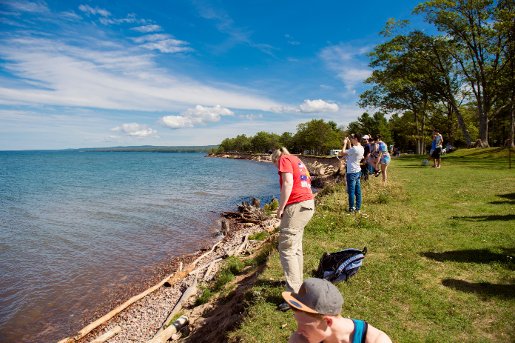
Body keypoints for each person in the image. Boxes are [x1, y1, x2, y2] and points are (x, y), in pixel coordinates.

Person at [271, 147, 315, 310]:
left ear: (276, 159)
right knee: (295, 248)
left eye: (275, 166)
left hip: (296, 205)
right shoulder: (297, 160)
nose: (278, 169)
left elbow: (288, 182)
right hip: (307, 204)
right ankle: (299, 286)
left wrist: (281, 208)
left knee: (286, 248)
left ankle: (294, 295)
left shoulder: (284, 160)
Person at [283, 278, 393, 343]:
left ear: (328, 322)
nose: (298, 331)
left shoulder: (376, 340)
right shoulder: (300, 340)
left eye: (305, 325)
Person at [339, 134, 364, 213]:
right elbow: (351, 152)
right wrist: (349, 143)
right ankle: (358, 208)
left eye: (352, 138)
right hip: (357, 171)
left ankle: (351, 208)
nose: (351, 139)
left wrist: (345, 143)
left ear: (356, 139)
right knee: (358, 191)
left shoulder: (354, 149)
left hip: (351, 172)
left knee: (351, 191)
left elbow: (342, 153)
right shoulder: (361, 148)